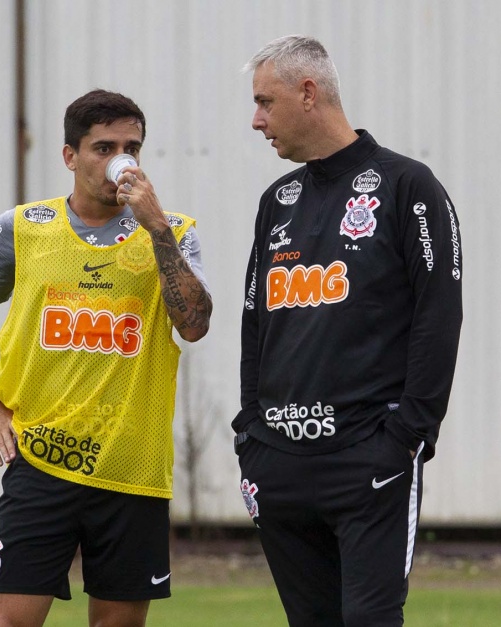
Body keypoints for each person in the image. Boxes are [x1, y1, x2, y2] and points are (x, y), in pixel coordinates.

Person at [0, 89, 212, 627]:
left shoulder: (174, 231)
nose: (121, 159)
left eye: (132, 147)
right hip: (41, 463)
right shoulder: (22, 229)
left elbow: (195, 323)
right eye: (104, 147)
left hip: (131, 471)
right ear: (70, 156)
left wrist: (157, 226)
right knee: (8, 621)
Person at [234, 35, 463, 626]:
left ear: (308, 93)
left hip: (369, 458)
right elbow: (254, 323)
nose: (256, 121)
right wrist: (249, 435)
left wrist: (410, 433)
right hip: (278, 462)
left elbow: (440, 317)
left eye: (265, 102)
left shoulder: (408, 187)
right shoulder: (276, 201)